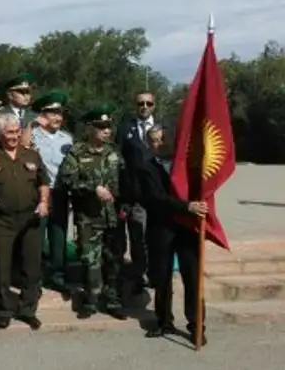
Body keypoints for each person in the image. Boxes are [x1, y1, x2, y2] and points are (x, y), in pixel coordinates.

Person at [0, 113, 50, 330]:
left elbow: (43, 182)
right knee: (0, 267)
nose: (14, 137)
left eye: (16, 132)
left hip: (30, 218)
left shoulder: (32, 154)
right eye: (9, 133)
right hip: (0, 220)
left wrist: (44, 202)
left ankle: (27, 310)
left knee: (31, 267)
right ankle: (3, 310)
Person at [137, 124, 208, 346]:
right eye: (154, 140)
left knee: (192, 277)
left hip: (187, 229)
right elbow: (155, 197)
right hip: (161, 229)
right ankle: (164, 322)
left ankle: (196, 326)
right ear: (148, 144)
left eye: (162, 138)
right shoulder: (147, 168)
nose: (159, 143)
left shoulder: (188, 164)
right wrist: (187, 206)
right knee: (161, 277)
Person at [58, 104, 127, 320]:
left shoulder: (114, 151)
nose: (107, 130)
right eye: (101, 127)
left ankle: (113, 300)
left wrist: (125, 203)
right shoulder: (77, 153)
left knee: (114, 259)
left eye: (108, 126)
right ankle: (91, 300)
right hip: (89, 217)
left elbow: (125, 179)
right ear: (89, 128)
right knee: (90, 259)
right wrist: (91, 188)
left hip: (113, 216)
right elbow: (67, 179)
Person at [116, 90, 163, 292]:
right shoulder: (126, 128)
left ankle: (157, 272)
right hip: (136, 193)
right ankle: (140, 274)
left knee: (158, 236)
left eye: (148, 103)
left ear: (154, 105)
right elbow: (118, 158)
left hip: (160, 193)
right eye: (140, 103)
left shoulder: (164, 127)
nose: (144, 107)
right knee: (138, 236)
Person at [29, 90, 74, 292]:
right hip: (38, 192)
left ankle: (57, 275)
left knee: (58, 234)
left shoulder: (67, 139)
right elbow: (22, 148)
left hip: (60, 192)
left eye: (60, 113)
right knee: (36, 236)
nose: (57, 117)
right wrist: (31, 125)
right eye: (52, 113)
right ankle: (35, 276)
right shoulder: (33, 136)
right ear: (43, 115)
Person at [0, 73, 36, 148]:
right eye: (21, 92)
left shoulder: (34, 115)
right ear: (10, 95)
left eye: (28, 92)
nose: (25, 96)